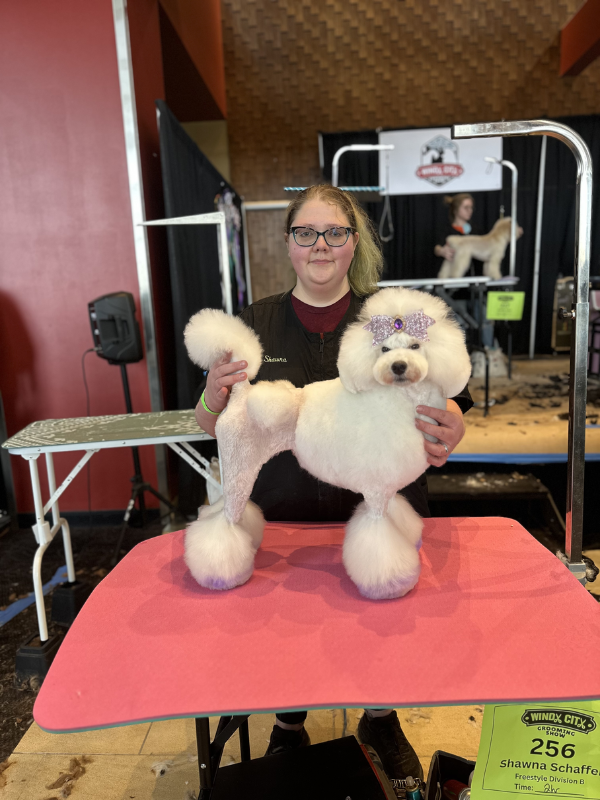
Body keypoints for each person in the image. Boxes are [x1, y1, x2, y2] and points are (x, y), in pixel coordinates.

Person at [195, 184, 473, 782]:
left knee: (385, 627)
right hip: (287, 515)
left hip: (383, 495)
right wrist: (213, 395)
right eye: (306, 233)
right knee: (283, 634)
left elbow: (454, 399)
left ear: (354, 243)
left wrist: (453, 429)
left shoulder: (390, 315)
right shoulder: (255, 320)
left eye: (335, 233)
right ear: (289, 242)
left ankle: (380, 715)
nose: (320, 245)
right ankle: (289, 723)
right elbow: (209, 421)